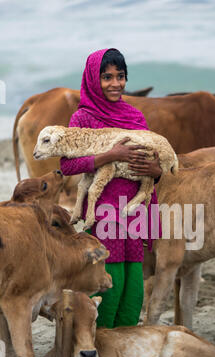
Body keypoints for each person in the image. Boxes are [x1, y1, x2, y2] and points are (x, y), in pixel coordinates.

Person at [60, 48, 162, 328]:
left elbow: (150, 164)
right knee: (110, 283)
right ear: (93, 79)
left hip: (135, 208)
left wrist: (157, 172)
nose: (115, 83)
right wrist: (109, 156)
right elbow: (67, 166)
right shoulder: (83, 119)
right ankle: (102, 344)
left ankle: (125, 345)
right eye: (107, 77)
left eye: (121, 76)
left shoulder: (135, 116)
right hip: (104, 209)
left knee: (134, 287)